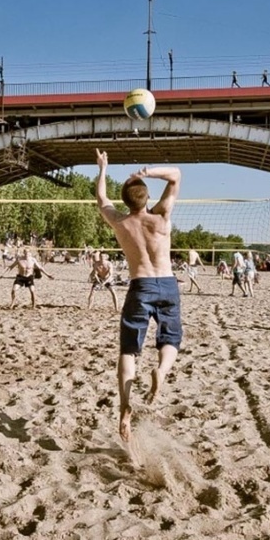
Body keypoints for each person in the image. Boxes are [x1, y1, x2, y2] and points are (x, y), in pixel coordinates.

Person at [95, 149, 182, 442]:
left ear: (126, 201)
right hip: (167, 283)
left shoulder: (120, 222)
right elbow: (176, 175)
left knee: (128, 351)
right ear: (146, 198)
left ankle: (124, 406)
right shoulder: (161, 217)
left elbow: (102, 200)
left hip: (140, 285)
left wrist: (103, 168)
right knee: (170, 339)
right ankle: (161, 370)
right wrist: (147, 173)